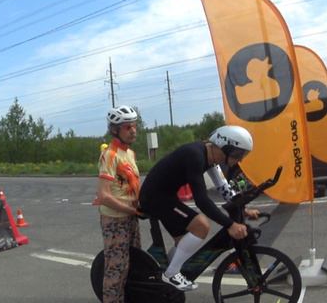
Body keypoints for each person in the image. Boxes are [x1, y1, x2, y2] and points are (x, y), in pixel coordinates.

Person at [138, 125, 259, 291]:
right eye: (239, 154)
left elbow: (223, 187)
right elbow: (202, 200)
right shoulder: (195, 155)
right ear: (226, 147)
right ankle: (170, 275)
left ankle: (164, 276)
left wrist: (242, 208)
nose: (240, 160)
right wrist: (230, 225)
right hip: (155, 198)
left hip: (165, 196)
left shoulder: (211, 157)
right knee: (201, 225)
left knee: (183, 242)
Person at [94, 105, 141, 303]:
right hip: (115, 219)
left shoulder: (130, 153)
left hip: (131, 216)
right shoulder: (110, 155)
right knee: (116, 269)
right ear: (115, 130)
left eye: (134, 126)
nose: (133, 130)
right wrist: (132, 209)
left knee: (133, 263)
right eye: (127, 127)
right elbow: (104, 195)